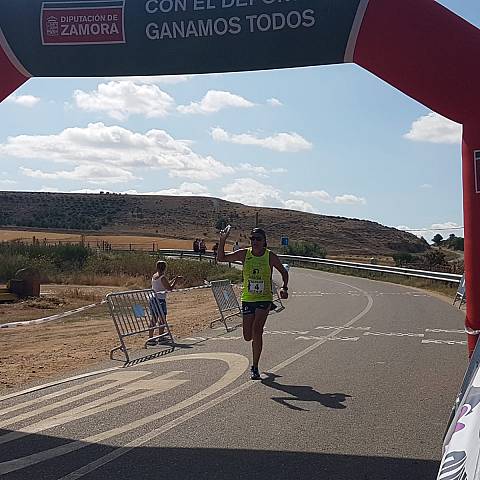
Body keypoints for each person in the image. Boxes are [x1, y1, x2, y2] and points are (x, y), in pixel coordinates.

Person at [217, 227, 289, 380]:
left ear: (264, 242)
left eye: (258, 239)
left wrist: (284, 287)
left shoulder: (270, 257)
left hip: (264, 298)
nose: (255, 241)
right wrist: (222, 240)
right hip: (248, 298)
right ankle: (255, 356)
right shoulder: (245, 254)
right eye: (253, 239)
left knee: (257, 330)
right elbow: (221, 258)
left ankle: (255, 366)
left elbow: (284, 272)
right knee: (247, 336)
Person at [147, 260, 183, 346]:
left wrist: (173, 279)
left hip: (153, 299)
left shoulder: (155, 275)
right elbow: (169, 288)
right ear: (165, 268)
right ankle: (161, 337)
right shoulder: (162, 277)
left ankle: (150, 337)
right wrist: (176, 281)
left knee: (154, 319)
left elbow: (164, 285)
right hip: (160, 300)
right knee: (162, 319)